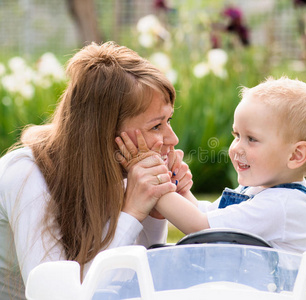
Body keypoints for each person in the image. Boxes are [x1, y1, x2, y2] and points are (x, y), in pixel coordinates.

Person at [0, 41, 192, 299]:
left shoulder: (116, 167)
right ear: (104, 132)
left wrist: (153, 212)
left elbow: (135, 280)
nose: (173, 138)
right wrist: (132, 211)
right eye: (156, 126)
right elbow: (58, 295)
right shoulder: (26, 175)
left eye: (168, 120)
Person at [118, 76, 306, 254]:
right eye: (236, 135)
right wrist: (180, 190)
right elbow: (209, 215)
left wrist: (153, 182)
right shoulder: (260, 192)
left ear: (296, 155)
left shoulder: (283, 206)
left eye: (252, 139)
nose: (237, 148)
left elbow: (200, 227)